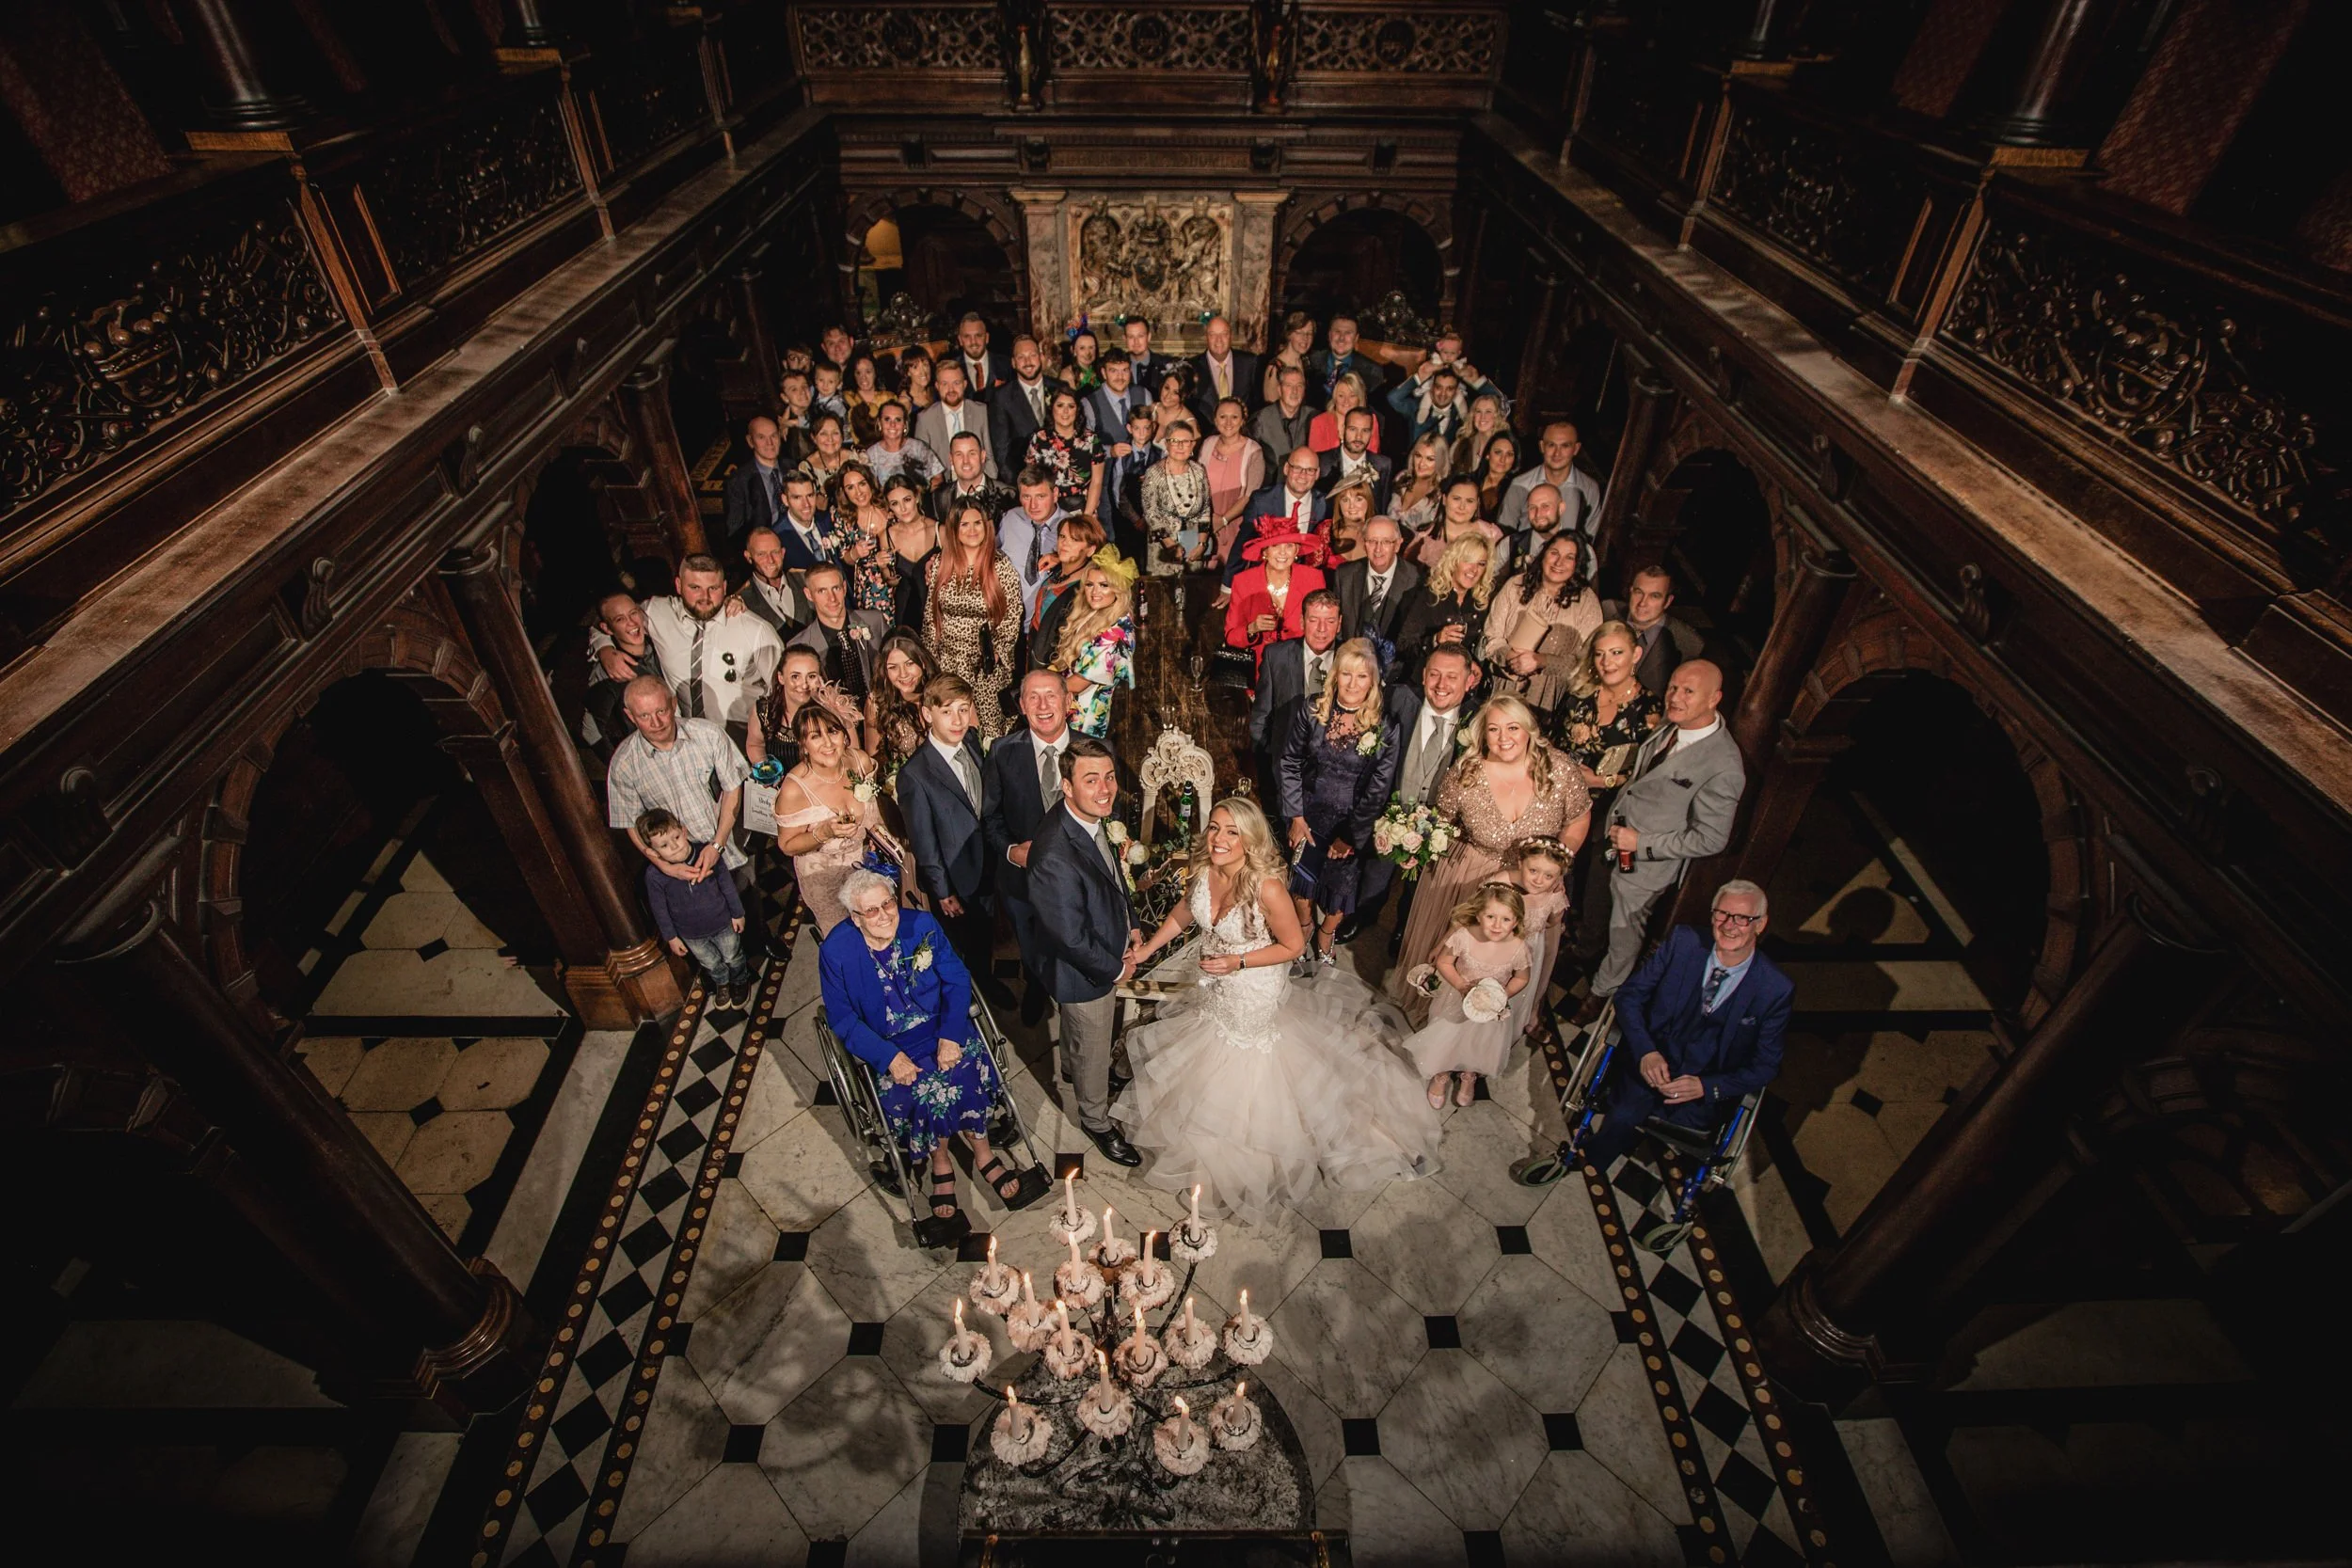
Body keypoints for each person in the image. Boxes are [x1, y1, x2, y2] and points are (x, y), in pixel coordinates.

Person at [1116, 798, 1439, 1224]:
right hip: (1215, 984)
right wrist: (1146, 953)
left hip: (1253, 986)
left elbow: (1292, 947)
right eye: (1214, 828)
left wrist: (1238, 962)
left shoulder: (1267, 886)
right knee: (1210, 1046)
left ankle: (1245, 1150)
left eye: (1232, 831)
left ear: (1250, 840)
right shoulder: (1204, 869)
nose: (1219, 839)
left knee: (1246, 1064)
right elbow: (1182, 914)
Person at [823, 869, 1029, 1229]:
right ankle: (942, 1161)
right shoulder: (837, 951)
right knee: (921, 1091)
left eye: (887, 903)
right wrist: (888, 1057)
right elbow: (841, 1019)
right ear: (855, 919)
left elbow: (956, 978)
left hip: (940, 1027)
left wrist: (951, 1034)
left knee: (964, 1069)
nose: (885, 914)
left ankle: (983, 1153)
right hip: (889, 1044)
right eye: (871, 911)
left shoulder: (921, 925)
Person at [1389, 694, 1591, 1010]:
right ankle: (1443, 1013)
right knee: (1460, 954)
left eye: (1512, 728)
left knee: (1511, 965)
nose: (1504, 738)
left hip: (1532, 883)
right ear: (1482, 733)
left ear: (1528, 730)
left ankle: (1501, 1020)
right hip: (1469, 874)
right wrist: (1417, 842)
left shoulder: (1559, 769)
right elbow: (1442, 820)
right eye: (1494, 729)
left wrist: (1556, 863)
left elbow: (1579, 817)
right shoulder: (1466, 771)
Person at [1573, 659, 1747, 1024]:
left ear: (1714, 698)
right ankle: (1585, 959)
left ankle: (1601, 993)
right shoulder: (1671, 726)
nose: (1675, 697)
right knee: (1595, 911)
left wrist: (1642, 843)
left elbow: (1711, 838)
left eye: (1688, 691)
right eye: (1672, 687)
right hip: (1613, 841)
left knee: (1624, 936)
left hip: (1645, 868)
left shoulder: (1724, 765)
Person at [1577, 881, 1788, 1169]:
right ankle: (1593, 1159)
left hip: (1704, 1090)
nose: (1729, 925)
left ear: (1760, 924)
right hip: (1649, 1065)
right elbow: (1629, 997)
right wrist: (1646, 1052)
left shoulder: (1774, 988)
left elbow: (1765, 1066)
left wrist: (1705, 1087)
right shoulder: (1684, 942)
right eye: (1722, 914)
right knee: (1623, 1114)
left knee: (1697, 1146)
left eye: (1742, 918)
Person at [1026, 736, 1144, 1166]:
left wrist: (1130, 922)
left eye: (1110, 777)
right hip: (1085, 971)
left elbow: (1112, 877)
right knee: (1094, 1042)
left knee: (1084, 1042)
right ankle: (1095, 1120)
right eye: (1091, 779)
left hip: (1102, 944)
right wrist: (1114, 970)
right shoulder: (1055, 853)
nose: (1105, 789)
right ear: (1067, 785)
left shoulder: (1089, 820)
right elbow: (1070, 938)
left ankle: (1076, 1069)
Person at [1277, 637, 1402, 967]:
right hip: (1310, 812)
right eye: (1347, 674)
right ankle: (1304, 925)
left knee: (1338, 895)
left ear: (1372, 681)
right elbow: (1289, 762)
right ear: (1336, 674)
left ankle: (1325, 933)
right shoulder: (1312, 709)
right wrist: (1296, 815)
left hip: (1352, 819)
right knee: (1302, 888)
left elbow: (1379, 787)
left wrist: (1351, 835)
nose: (1353, 684)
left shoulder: (1386, 727)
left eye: (1362, 677)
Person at [1552, 622, 1667, 977]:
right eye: (1600, 654)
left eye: (1616, 653)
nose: (1607, 662)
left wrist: (1603, 779)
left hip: (1612, 812)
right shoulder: (1580, 695)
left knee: (1595, 882)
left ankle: (1585, 949)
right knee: (1559, 867)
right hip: (1565, 801)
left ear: (1635, 655)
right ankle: (1553, 930)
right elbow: (1554, 744)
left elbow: (1650, 776)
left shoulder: (1650, 710)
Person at [1351, 643, 1481, 948]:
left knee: (1420, 888)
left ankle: (1403, 931)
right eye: (1434, 674)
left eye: (1452, 676)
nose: (1441, 685)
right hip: (1390, 811)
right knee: (1375, 874)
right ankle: (1363, 916)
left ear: (1469, 680)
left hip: (1439, 825)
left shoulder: (1478, 722)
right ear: (1423, 676)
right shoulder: (1398, 700)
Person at [982, 671, 1085, 1025]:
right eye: (1033, 697)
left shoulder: (1093, 750)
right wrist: (1012, 852)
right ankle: (1038, 988)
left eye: (1051, 696)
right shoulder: (1002, 752)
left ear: (1067, 702)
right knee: (1032, 944)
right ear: (1022, 705)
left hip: (1077, 882)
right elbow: (991, 818)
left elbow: (1109, 814)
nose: (1043, 706)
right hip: (1023, 884)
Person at [596, 555, 782, 747]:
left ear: (725, 588)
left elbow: (785, 689)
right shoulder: (657, 612)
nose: (705, 598)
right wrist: (604, 648)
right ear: (678, 585)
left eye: (713, 588)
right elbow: (614, 619)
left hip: (745, 735)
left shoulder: (755, 630)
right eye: (695, 588)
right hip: (686, 737)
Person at [607, 675, 752, 907]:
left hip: (728, 848)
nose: (656, 722)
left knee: (746, 905)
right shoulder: (624, 764)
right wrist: (665, 866)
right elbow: (629, 821)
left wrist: (717, 844)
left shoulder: (708, 734)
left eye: (661, 711)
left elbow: (733, 787)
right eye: (644, 716)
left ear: (673, 704)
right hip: (677, 865)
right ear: (630, 716)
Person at [893, 673, 998, 980]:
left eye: (964, 709)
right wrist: (943, 891)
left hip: (986, 863)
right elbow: (924, 841)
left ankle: (986, 981)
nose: (957, 720)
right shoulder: (915, 775)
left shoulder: (971, 741)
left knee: (985, 932)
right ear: (928, 714)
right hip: (955, 877)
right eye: (947, 711)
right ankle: (973, 995)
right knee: (963, 944)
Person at [1404, 882, 1532, 1108]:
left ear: (1516, 922)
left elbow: (1521, 977)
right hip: (1455, 998)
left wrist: (1503, 994)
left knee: (1478, 1043)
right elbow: (1444, 962)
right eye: (1490, 916)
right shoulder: (1464, 936)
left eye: (1506, 919)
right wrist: (1462, 986)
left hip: (1489, 1007)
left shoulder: (1518, 947)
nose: (1497, 925)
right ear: (1478, 915)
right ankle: (1441, 1073)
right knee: (1448, 1037)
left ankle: (1469, 1074)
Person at [769, 701, 882, 937]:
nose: (828, 743)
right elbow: (787, 845)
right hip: (827, 883)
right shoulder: (794, 789)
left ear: (844, 734)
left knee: (880, 929)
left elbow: (877, 810)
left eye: (833, 731)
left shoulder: (859, 761)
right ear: (803, 744)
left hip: (869, 868)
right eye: (815, 736)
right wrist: (824, 833)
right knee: (847, 942)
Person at [927, 500, 1025, 740]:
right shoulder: (942, 562)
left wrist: (998, 651)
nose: (972, 530)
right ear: (954, 529)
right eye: (965, 525)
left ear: (986, 526)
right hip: (948, 662)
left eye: (977, 523)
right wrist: (929, 657)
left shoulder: (1000, 565)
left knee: (989, 733)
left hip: (984, 665)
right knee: (952, 728)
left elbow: (1013, 613)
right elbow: (931, 614)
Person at [639, 807, 751, 1008]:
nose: (674, 847)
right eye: (664, 845)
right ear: (653, 852)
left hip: (723, 922)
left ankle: (740, 981)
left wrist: (738, 913)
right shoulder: (654, 876)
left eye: (675, 837)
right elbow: (660, 909)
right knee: (711, 963)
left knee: (733, 956)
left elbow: (727, 885)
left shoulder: (706, 854)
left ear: (683, 830)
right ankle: (722, 984)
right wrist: (671, 937)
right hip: (691, 934)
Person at [1483, 531, 1603, 714]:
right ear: (1544, 554)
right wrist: (1511, 658)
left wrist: (1541, 661)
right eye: (1554, 553)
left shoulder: (1587, 601)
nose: (1559, 562)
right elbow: (1492, 637)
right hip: (1504, 688)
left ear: (1577, 564)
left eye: (1569, 557)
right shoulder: (1515, 585)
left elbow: (1586, 660)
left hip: (1548, 698)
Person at [1051, 552, 1137, 739]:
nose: (1094, 592)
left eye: (1104, 585)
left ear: (1118, 589)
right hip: (1071, 707)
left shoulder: (1116, 634)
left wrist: (1042, 688)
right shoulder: (1098, 613)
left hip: (1085, 720)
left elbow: (1078, 683)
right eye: (1090, 585)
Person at [1248, 588, 1344, 752]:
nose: (1322, 629)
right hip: (1284, 764)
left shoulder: (1351, 659)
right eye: (1314, 620)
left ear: (1339, 624)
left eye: (1330, 621)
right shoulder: (1276, 656)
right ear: (1302, 621)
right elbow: (1261, 719)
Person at [1225, 526, 1328, 677]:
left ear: (1297, 550)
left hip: (1303, 671)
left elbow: (1324, 629)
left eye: (1289, 546)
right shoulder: (1243, 582)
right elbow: (1231, 637)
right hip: (1259, 674)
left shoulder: (1314, 578)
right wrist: (1252, 628)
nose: (1282, 552)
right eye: (1275, 546)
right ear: (1264, 551)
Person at [784, 562, 889, 709]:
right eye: (822, 591)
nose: (832, 598)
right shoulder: (798, 646)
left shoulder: (875, 621)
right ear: (809, 594)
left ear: (844, 588)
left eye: (836, 588)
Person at [1223, 446, 1328, 592]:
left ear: (1317, 474)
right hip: (1265, 581)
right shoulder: (1262, 501)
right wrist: (1228, 587)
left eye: (1310, 470)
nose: (1303, 475)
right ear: (1286, 468)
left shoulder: (1323, 504)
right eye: (1297, 468)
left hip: (1303, 584)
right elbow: (1243, 543)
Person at [1395, 531, 1497, 680]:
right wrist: (1435, 640)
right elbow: (1402, 646)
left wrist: (1473, 664)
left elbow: (1477, 647)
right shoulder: (1428, 596)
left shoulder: (1480, 602)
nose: (1474, 570)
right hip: (1422, 682)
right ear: (1454, 561)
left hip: (1461, 686)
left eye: (1481, 564)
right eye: (1468, 561)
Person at [1502, 837, 1572, 1042]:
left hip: (1531, 948)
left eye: (1548, 875)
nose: (1539, 880)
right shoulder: (1502, 883)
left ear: (1559, 877)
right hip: (1500, 947)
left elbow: (1552, 922)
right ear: (1521, 863)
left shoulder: (1554, 897)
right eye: (1533, 871)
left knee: (1520, 991)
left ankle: (1509, 1028)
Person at [1605, 564, 1708, 698]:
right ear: (1630, 591)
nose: (1643, 603)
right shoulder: (1606, 611)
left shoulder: (1688, 643)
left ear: (1667, 601)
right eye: (1639, 592)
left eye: (1654, 596)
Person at [580, 593, 662, 757]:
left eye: (633, 613)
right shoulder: (609, 669)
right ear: (607, 628)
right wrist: (622, 768)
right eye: (620, 619)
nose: (631, 622)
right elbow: (591, 731)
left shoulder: (658, 645)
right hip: (653, 756)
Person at [1499, 420, 1603, 539]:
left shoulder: (1589, 488)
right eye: (1551, 445)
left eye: (1565, 446)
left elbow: (1591, 536)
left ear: (1576, 449)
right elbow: (1504, 534)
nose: (1557, 453)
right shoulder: (1520, 485)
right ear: (1542, 446)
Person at [1334, 515, 1422, 653]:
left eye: (1386, 542)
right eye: (1372, 541)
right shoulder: (1344, 574)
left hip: (1396, 670)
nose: (1378, 549)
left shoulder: (1416, 579)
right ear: (1364, 543)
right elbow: (1337, 627)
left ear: (1398, 545)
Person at [1027, 513, 1105, 665]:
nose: (1065, 543)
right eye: (1062, 537)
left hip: (1057, 667)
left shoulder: (1088, 589)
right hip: (1034, 656)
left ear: (1090, 550)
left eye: (1074, 540)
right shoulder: (1057, 573)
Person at [1141, 416, 1213, 576]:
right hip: (1163, 548)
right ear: (1167, 444)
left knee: (1192, 596)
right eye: (1174, 441)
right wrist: (1170, 544)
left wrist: (1201, 544)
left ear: (1193, 444)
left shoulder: (1199, 470)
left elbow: (1205, 509)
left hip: (1192, 547)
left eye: (1186, 441)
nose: (1180, 446)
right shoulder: (1154, 473)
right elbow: (1151, 513)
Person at [997, 467, 1067, 622]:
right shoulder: (1011, 518)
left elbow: (1092, 562)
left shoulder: (1071, 525)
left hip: (1048, 622)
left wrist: (1063, 559)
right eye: (1027, 497)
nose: (1033, 506)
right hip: (1006, 620)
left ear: (1055, 494)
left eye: (1041, 496)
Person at [1203, 397, 1267, 564]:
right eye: (1223, 416)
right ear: (1215, 419)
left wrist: (1222, 520)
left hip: (1236, 526)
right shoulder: (1208, 444)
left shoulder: (1254, 451)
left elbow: (1249, 496)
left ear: (1243, 421)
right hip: (1205, 522)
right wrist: (1209, 519)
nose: (1228, 422)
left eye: (1234, 417)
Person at [865, 631, 937, 777]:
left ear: (922, 662)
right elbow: (874, 762)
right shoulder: (876, 703)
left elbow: (971, 739)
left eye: (909, 664)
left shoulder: (943, 691)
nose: (903, 674)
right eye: (893, 667)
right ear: (884, 670)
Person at [1026, 386, 1104, 517]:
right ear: (1052, 409)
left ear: (1077, 410)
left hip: (1082, 510)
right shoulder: (1039, 438)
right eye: (1060, 405)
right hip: (1048, 511)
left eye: (1071, 406)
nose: (1066, 411)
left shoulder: (1091, 440)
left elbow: (1097, 482)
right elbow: (1032, 479)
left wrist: (1086, 516)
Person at [721, 416, 790, 562]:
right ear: (750, 441)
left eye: (773, 436)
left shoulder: (792, 467)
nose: (770, 443)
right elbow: (735, 531)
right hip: (765, 554)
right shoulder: (738, 482)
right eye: (761, 437)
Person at [914, 360, 996, 482]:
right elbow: (921, 464)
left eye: (956, 383)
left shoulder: (981, 411)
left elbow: (989, 455)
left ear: (964, 384)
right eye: (945, 384)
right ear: (937, 386)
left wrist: (984, 484)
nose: (951, 389)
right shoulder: (925, 418)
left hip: (980, 482)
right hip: (945, 487)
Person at [1104, 404, 1162, 567]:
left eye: (1146, 428)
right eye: (1137, 428)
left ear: (1153, 427)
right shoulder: (1123, 455)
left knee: (1151, 562)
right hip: (1127, 521)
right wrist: (1136, 519)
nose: (1142, 433)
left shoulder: (1160, 455)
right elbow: (1117, 491)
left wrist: (1148, 517)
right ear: (1129, 428)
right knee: (1129, 562)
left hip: (1152, 520)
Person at [989, 336, 1055, 478]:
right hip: (1025, 483)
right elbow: (1002, 454)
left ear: (1041, 357)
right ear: (1013, 363)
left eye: (1032, 355)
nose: (1028, 362)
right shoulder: (1001, 398)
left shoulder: (1059, 389)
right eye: (1021, 357)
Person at [1410, 475, 1506, 571]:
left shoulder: (1491, 535)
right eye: (1456, 499)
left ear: (1477, 504)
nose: (1462, 507)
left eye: (1469, 501)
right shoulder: (1424, 538)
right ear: (1444, 499)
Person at [882, 476, 938, 631]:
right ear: (890, 507)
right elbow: (891, 582)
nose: (903, 508)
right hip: (905, 614)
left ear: (917, 497)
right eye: (895, 504)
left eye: (907, 500)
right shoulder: (887, 536)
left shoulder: (939, 530)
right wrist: (884, 568)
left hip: (937, 612)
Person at [734, 527, 809, 639]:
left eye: (775, 552)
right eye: (761, 554)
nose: (770, 560)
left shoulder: (806, 580)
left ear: (783, 553)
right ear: (749, 557)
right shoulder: (741, 601)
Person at [1187, 313, 1260, 422]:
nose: (1219, 340)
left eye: (1224, 334)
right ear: (1206, 337)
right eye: (1213, 335)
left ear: (1230, 335)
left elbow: (1257, 403)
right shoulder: (1192, 367)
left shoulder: (1250, 363)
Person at [1317, 406, 1392, 511]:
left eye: (1365, 431)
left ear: (1371, 433)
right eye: (1353, 429)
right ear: (1343, 429)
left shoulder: (1383, 465)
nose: (1358, 437)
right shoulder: (1322, 462)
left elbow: (1382, 508)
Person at [864, 400, 944, 489]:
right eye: (887, 419)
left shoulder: (918, 448)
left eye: (898, 420)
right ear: (879, 423)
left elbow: (938, 478)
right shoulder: (871, 454)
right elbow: (870, 490)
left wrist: (923, 496)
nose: (892, 424)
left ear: (905, 425)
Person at [940, 431, 1014, 524]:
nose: (965, 461)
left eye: (972, 453)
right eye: (959, 454)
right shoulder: (939, 498)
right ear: (951, 459)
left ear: (982, 456)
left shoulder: (1007, 494)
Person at [1082, 347, 1150, 445]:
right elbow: (1086, 445)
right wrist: (1110, 452)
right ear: (1104, 373)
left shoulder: (1144, 394)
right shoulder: (1089, 403)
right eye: (1113, 371)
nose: (1120, 377)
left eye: (1125, 370)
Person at [1306, 313, 1374, 408]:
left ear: (1356, 338)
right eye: (1337, 331)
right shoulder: (1310, 362)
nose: (1341, 338)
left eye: (1348, 333)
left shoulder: (1372, 371)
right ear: (1329, 335)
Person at [1388, 433, 1450, 536]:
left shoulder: (1441, 494)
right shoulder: (1402, 477)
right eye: (1418, 456)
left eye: (1430, 459)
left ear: (1440, 461)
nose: (1421, 464)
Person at [1307, 372, 1382, 457]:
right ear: (1335, 398)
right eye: (1341, 396)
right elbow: (1315, 459)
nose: (1346, 401)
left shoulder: (1371, 420)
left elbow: (1372, 456)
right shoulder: (1319, 422)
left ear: (1359, 398)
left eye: (1352, 396)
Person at [775, 473, 838, 571]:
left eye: (810, 495)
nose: (806, 504)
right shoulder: (778, 538)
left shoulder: (828, 520)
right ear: (785, 500)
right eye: (797, 497)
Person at [1252, 363, 1313, 460]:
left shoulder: (1314, 417)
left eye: (1299, 386)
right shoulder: (1260, 419)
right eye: (1289, 385)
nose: (1294, 391)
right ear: (1279, 390)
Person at [1446, 391, 1510, 481]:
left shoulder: (1506, 448)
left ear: (1497, 416)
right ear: (1473, 416)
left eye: (1488, 412)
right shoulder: (1460, 445)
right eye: (1478, 411)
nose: (1482, 417)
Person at [1262, 310, 1316, 405]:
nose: (1305, 338)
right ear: (1289, 335)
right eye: (1299, 333)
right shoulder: (1275, 368)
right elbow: (1270, 411)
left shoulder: (1307, 363)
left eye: (1309, 333)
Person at [954, 311, 1013, 395]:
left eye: (978, 335)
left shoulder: (1007, 365)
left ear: (987, 338)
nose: (973, 342)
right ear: (960, 340)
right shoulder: (952, 368)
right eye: (967, 336)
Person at [1471, 430, 1521, 524]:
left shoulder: (1516, 489)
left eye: (1509, 454)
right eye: (1498, 452)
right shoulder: (1471, 481)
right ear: (1487, 454)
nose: (1503, 459)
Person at [798, 411, 851, 492]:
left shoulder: (856, 458)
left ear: (842, 436)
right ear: (814, 438)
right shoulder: (806, 468)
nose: (830, 439)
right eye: (823, 434)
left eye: (835, 433)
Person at [897, 346, 937, 412]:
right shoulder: (905, 402)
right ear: (908, 372)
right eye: (915, 367)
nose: (923, 372)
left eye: (925, 365)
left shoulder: (935, 391)